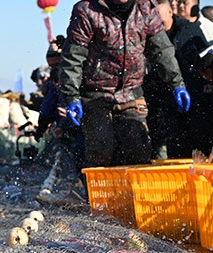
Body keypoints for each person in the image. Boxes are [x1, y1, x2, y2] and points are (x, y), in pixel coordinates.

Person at [58, 0, 190, 167]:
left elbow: (162, 51)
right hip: (95, 92)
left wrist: (177, 84)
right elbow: (73, 58)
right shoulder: (87, 10)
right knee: (101, 146)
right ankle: (99, 191)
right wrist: (71, 96)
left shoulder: (146, 8)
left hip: (131, 90)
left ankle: (135, 192)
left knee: (139, 146)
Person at [167, 0, 213, 157]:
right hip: (184, 99)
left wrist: (211, 83)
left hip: (207, 100)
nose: (178, 5)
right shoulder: (173, 31)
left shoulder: (207, 28)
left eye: (184, 2)